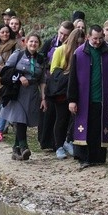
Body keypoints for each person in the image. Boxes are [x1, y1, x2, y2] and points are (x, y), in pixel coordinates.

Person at [67, 25, 108, 169]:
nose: (97, 41)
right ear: (88, 37)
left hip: (102, 97)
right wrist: (72, 99)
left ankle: (97, 157)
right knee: (84, 127)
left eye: (100, 38)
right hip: (84, 98)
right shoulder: (79, 53)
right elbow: (72, 78)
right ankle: (83, 157)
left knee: (98, 128)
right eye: (95, 38)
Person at [0, 32, 47, 161]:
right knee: (19, 118)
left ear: (39, 44)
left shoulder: (41, 58)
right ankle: (24, 146)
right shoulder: (18, 55)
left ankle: (16, 150)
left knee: (24, 120)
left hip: (32, 92)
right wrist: (20, 77)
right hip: (17, 91)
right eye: (31, 41)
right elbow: (6, 70)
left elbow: (42, 80)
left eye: (36, 42)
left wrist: (43, 98)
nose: (33, 44)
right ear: (25, 42)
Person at [49, 28, 86, 159]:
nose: (79, 45)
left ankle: (68, 141)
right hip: (62, 91)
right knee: (61, 118)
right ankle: (58, 145)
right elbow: (53, 71)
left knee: (74, 119)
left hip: (78, 91)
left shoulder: (84, 53)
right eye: (77, 43)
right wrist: (68, 73)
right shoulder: (60, 50)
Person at [38, 21, 74, 152]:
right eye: (61, 33)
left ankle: (59, 142)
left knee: (61, 116)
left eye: (65, 35)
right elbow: (41, 56)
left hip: (62, 84)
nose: (62, 37)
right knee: (49, 113)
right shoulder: (51, 42)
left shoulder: (71, 48)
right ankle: (46, 141)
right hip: (49, 81)